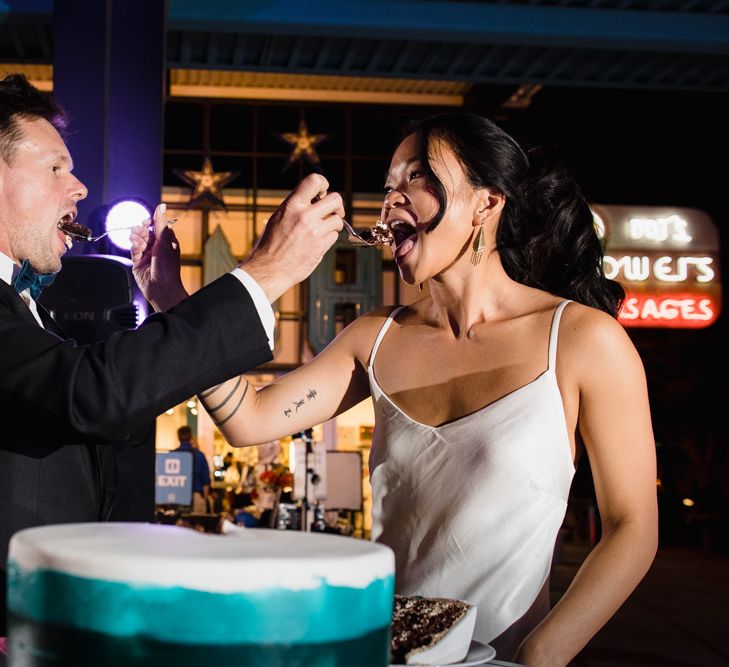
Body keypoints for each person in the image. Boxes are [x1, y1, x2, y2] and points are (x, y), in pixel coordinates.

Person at [148, 111, 658, 665]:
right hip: (378, 651)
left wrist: (542, 654)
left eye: (416, 178)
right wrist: (174, 302)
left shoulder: (582, 339)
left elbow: (633, 528)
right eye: (387, 187)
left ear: (486, 204)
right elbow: (247, 419)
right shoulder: (375, 338)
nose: (390, 201)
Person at [0, 73, 344, 636]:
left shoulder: (34, 309)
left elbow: (103, 413)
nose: (79, 187)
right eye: (56, 167)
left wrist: (168, 299)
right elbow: (93, 395)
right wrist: (266, 272)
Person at [174, 426, 211, 513]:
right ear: (191, 437)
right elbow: (206, 480)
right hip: (196, 496)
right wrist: (204, 500)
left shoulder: (172, 455)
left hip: (176, 497)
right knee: (196, 524)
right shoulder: (200, 455)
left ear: (178, 437)